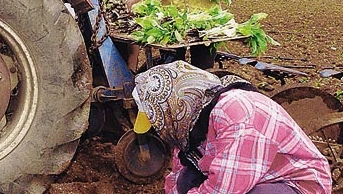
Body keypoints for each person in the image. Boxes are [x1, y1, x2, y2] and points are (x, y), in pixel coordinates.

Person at [132, 61, 332, 194]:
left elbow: (224, 191)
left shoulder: (237, 116)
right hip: (253, 173)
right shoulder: (192, 118)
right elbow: (177, 173)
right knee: (186, 179)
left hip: (296, 184)